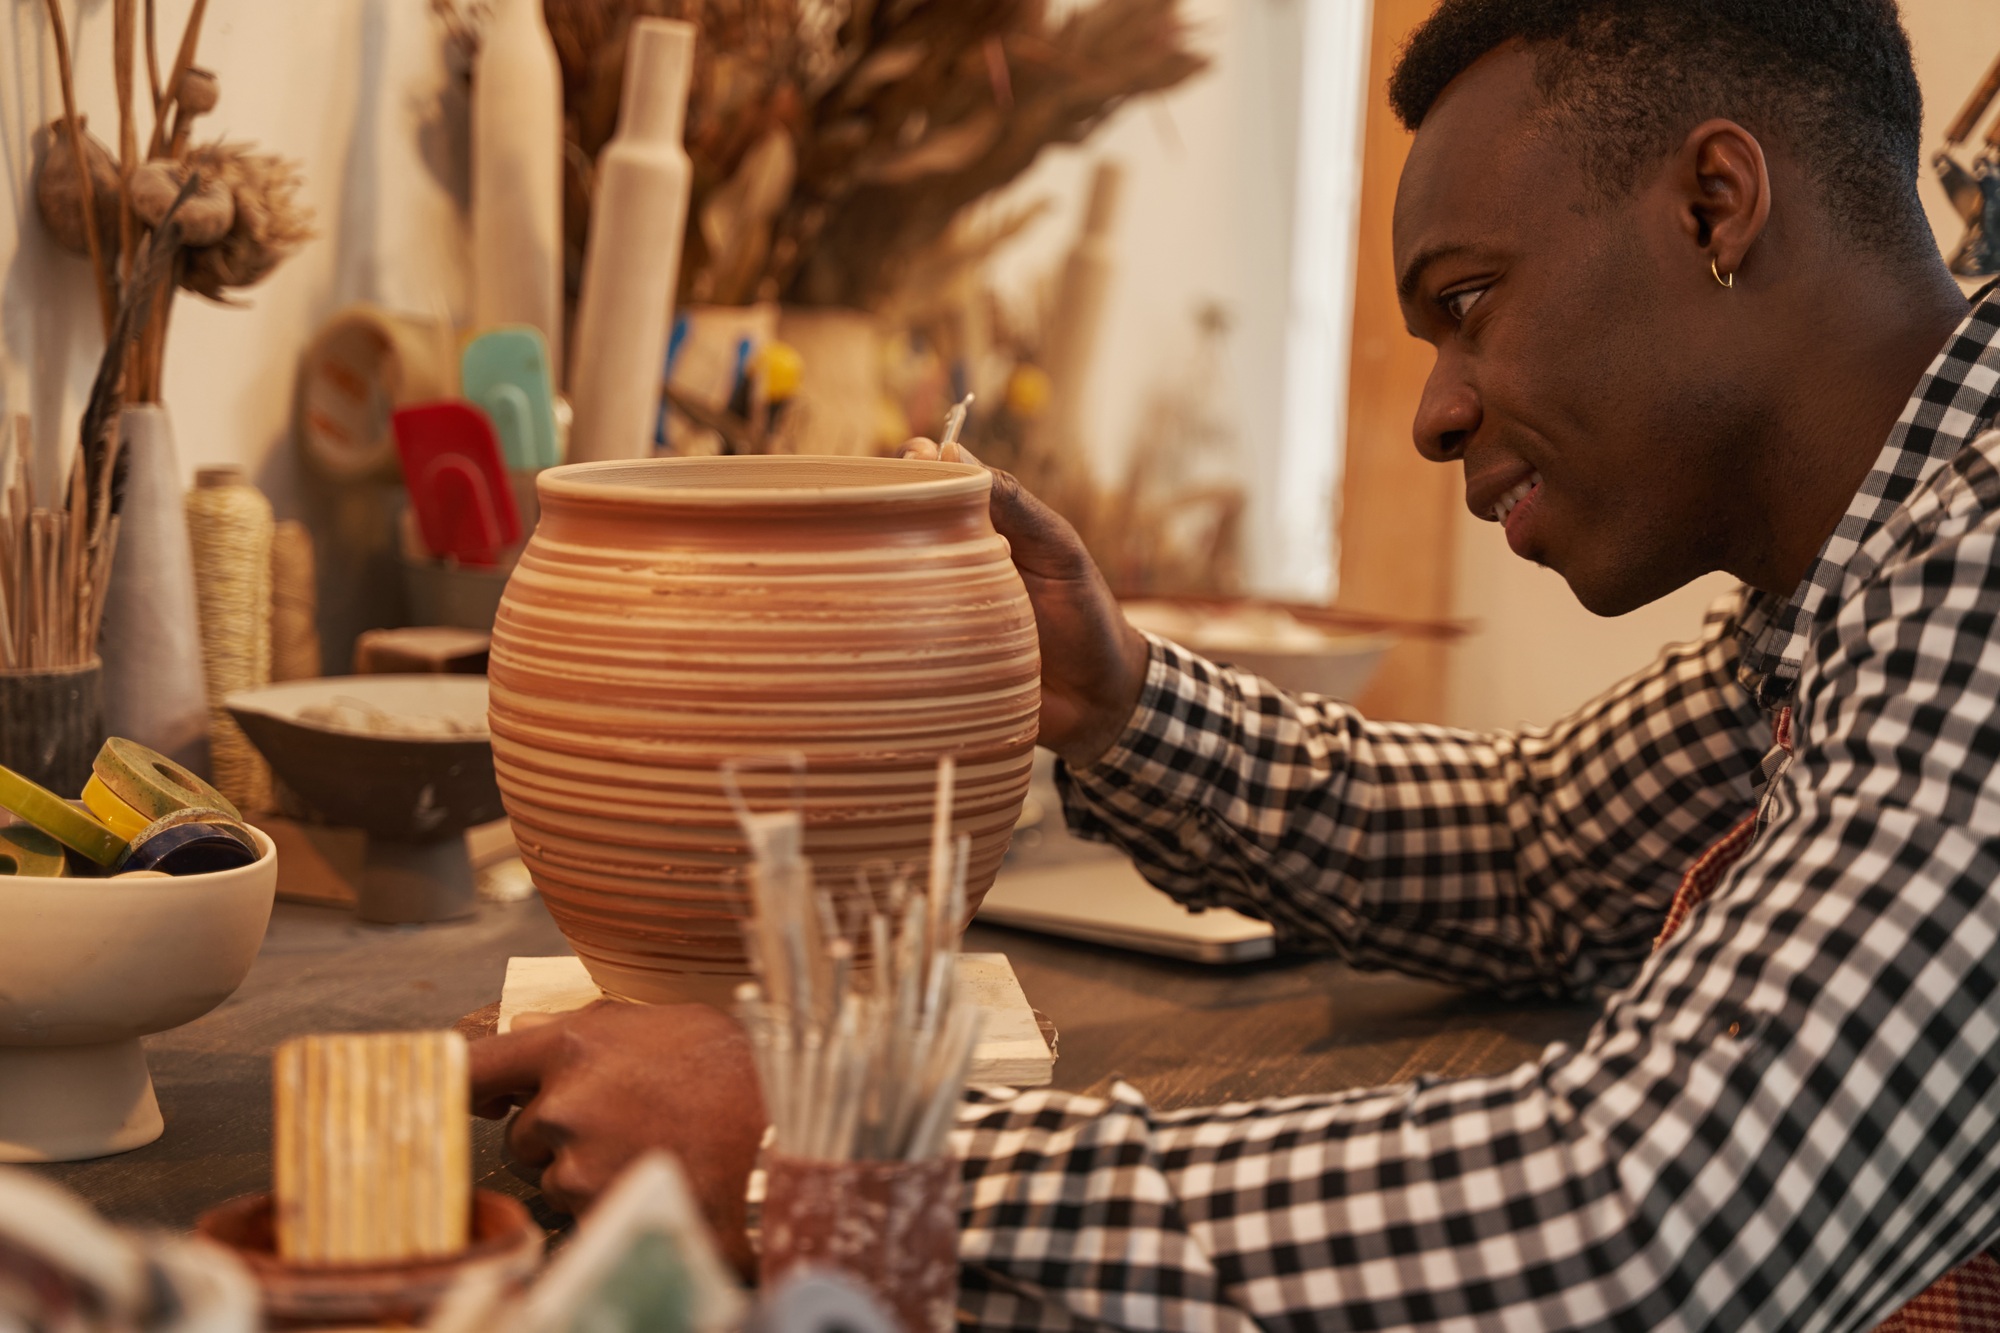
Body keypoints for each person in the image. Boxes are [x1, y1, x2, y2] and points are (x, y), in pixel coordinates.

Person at [471, 1, 2000, 1326]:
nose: (1435, 413)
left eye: (1468, 304)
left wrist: (823, 1153)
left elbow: (1645, 1220)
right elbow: (1539, 849)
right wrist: (1119, 698)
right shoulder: (1845, 587)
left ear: (1717, 204)